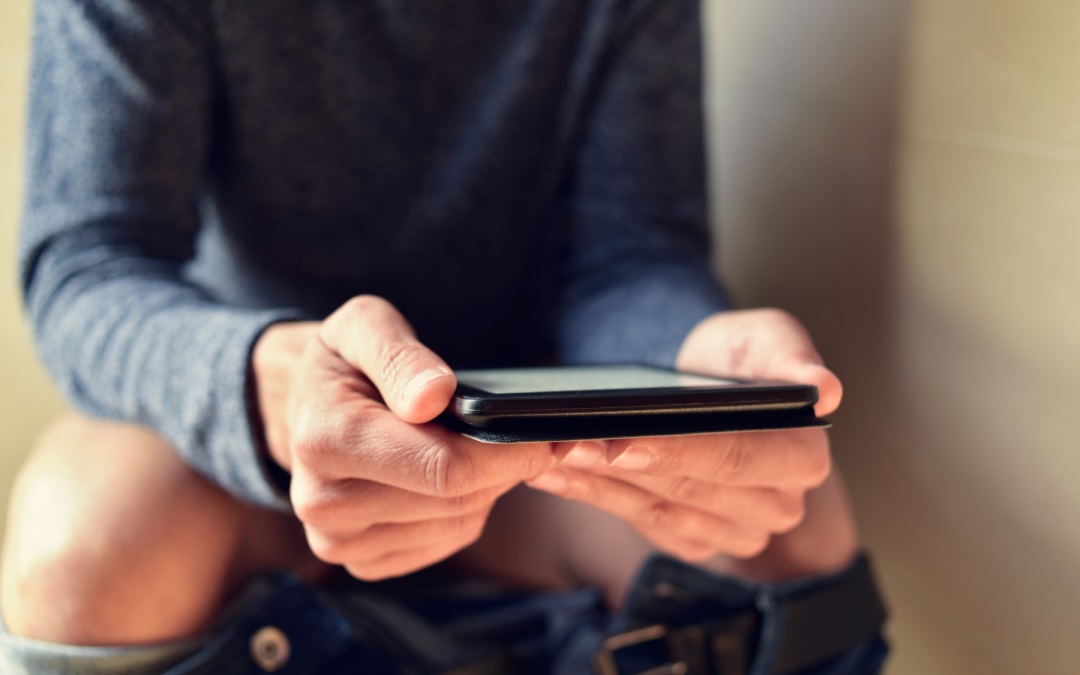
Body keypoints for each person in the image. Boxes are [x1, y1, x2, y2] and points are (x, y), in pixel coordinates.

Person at [1, 0, 887, 673]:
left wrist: (687, 355)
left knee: (779, 519)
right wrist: (271, 388)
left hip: (539, 463)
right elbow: (89, 262)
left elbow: (630, 251)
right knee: (86, 549)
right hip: (262, 466)